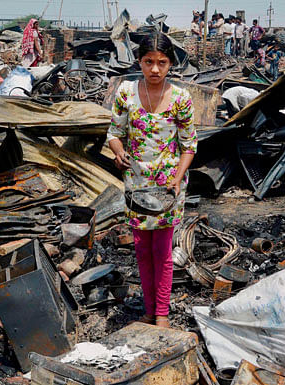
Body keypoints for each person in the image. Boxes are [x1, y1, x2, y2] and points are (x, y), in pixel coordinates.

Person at [107, 33, 197, 329]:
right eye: (149, 62)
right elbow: (114, 134)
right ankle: (147, 310)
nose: (155, 69)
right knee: (142, 251)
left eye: (162, 63)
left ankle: (161, 315)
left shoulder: (181, 98)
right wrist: (119, 151)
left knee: (163, 252)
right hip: (137, 185)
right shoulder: (126, 92)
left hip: (168, 188)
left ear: (171, 64)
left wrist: (177, 178)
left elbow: (189, 145)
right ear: (140, 62)